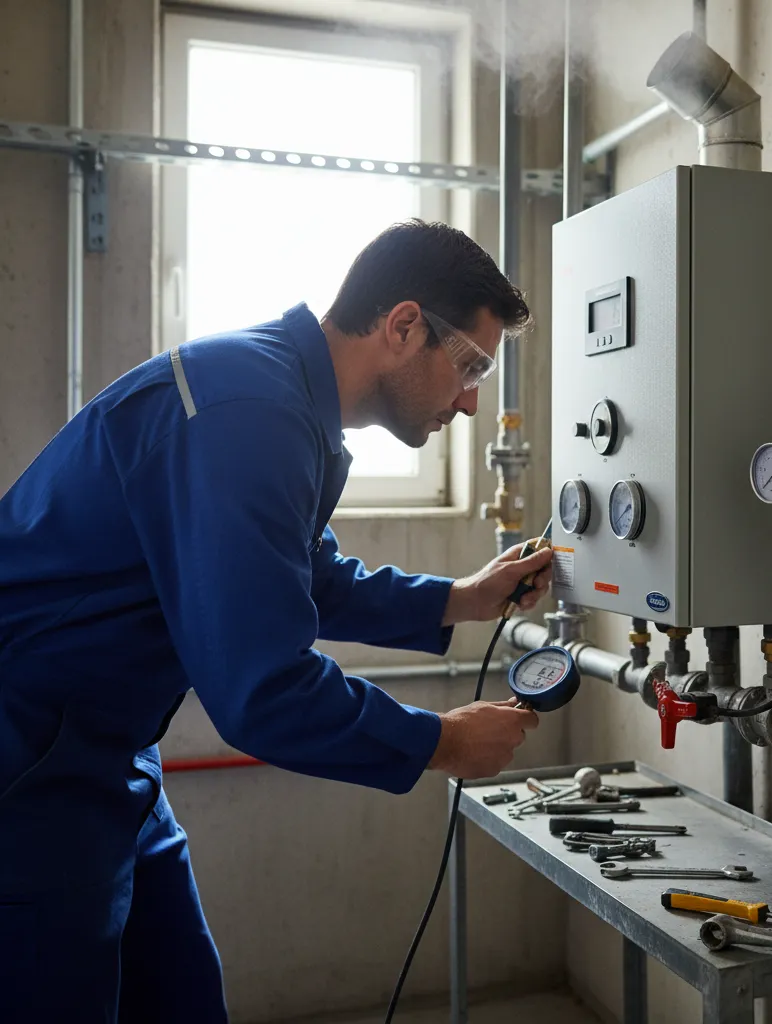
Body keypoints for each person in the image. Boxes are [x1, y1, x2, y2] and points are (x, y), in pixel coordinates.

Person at [0, 219, 553, 1022]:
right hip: (26, 769)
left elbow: (306, 575)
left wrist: (460, 598)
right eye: (469, 366)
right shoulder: (246, 411)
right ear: (403, 326)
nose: (470, 402)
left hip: (104, 756)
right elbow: (263, 688)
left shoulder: (282, 395)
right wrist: (441, 741)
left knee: (183, 996)